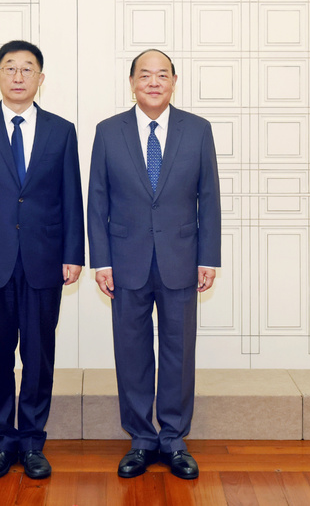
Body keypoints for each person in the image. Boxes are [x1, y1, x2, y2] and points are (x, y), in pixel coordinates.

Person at [0, 40, 84, 480]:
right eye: (10, 68)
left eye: (28, 69)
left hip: (45, 259)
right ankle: (1, 442)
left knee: (39, 354)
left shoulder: (62, 131)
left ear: (41, 79)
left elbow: (71, 197)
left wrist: (73, 254)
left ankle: (31, 442)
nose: (19, 76)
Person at [87, 49, 221, 480]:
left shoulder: (197, 130)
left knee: (179, 351)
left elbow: (209, 198)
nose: (153, 82)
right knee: (132, 352)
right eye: (145, 75)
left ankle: (174, 439)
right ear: (132, 83)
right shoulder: (108, 131)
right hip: (125, 260)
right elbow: (98, 200)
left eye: (162, 75)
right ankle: (142, 439)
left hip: (182, 258)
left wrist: (208, 257)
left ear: (174, 82)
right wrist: (101, 261)